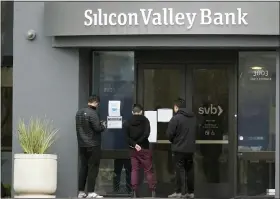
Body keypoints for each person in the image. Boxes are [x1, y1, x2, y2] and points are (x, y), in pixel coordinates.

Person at [76, 95, 106, 198]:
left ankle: (80, 192)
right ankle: (91, 192)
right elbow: (97, 128)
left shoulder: (79, 113)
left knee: (83, 167)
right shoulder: (93, 113)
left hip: (82, 145)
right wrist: (103, 126)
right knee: (93, 168)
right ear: (96, 103)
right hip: (93, 145)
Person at [124, 104, 156, 198]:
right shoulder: (145, 120)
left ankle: (134, 192)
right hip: (144, 148)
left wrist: (135, 145)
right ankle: (152, 191)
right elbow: (147, 133)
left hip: (133, 150)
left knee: (134, 170)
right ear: (141, 112)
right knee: (149, 170)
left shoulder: (127, 122)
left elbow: (126, 138)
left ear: (132, 112)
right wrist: (139, 143)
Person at [166, 98, 196, 199]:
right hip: (190, 149)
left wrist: (174, 141)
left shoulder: (176, 118)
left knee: (179, 170)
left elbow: (169, 134)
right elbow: (198, 131)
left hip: (179, 149)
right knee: (190, 170)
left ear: (176, 107)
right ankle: (191, 192)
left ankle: (180, 192)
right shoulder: (193, 118)